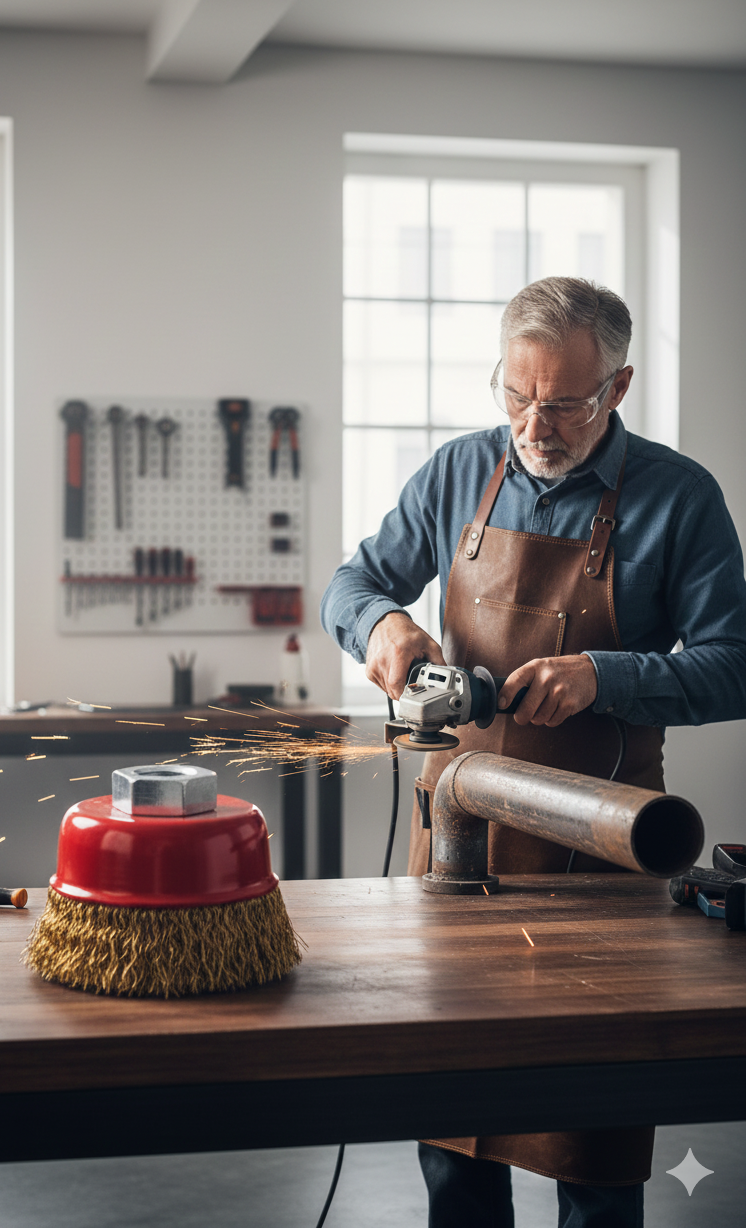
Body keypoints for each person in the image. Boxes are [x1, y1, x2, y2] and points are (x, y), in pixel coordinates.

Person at [321, 276, 746, 1227]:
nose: (533, 425)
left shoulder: (680, 499)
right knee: (455, 1130)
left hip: (605, 852)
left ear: (618, 387)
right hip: (459, 845)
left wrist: (605, 676)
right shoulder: (456, 473)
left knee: (595, 1142)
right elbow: (351, 583)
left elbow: (736, 666)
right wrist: (381, 623)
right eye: (516, 394)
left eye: (563, 404)